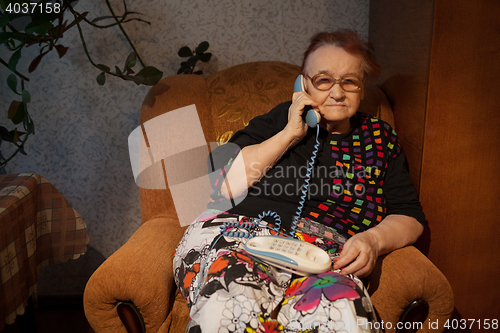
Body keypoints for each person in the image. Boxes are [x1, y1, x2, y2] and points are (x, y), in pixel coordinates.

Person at [173, 29, 425, 333]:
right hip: (240, 235)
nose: (337, 92)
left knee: (346, 316)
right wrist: (289, 134)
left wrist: (373, 240)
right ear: (303, 84)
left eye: (349, 81)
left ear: (362, 87)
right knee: (233, 301)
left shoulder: (380, 138)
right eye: (323, 80)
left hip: (326, 257)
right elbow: (222, 186)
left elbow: (408, 214)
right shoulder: (281, 119)